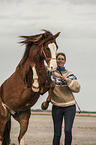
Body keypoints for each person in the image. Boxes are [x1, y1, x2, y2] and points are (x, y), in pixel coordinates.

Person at [48, 52, 80, 145]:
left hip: (69, 107)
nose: (60, 60)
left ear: (65, 61)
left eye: (62, 59)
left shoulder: (69, 74)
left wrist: (67, 80)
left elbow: (77, 88)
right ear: (56, 60)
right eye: (58, 59)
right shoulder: (51, 73)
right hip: (56, 107)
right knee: (57, 134)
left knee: (67, 131)